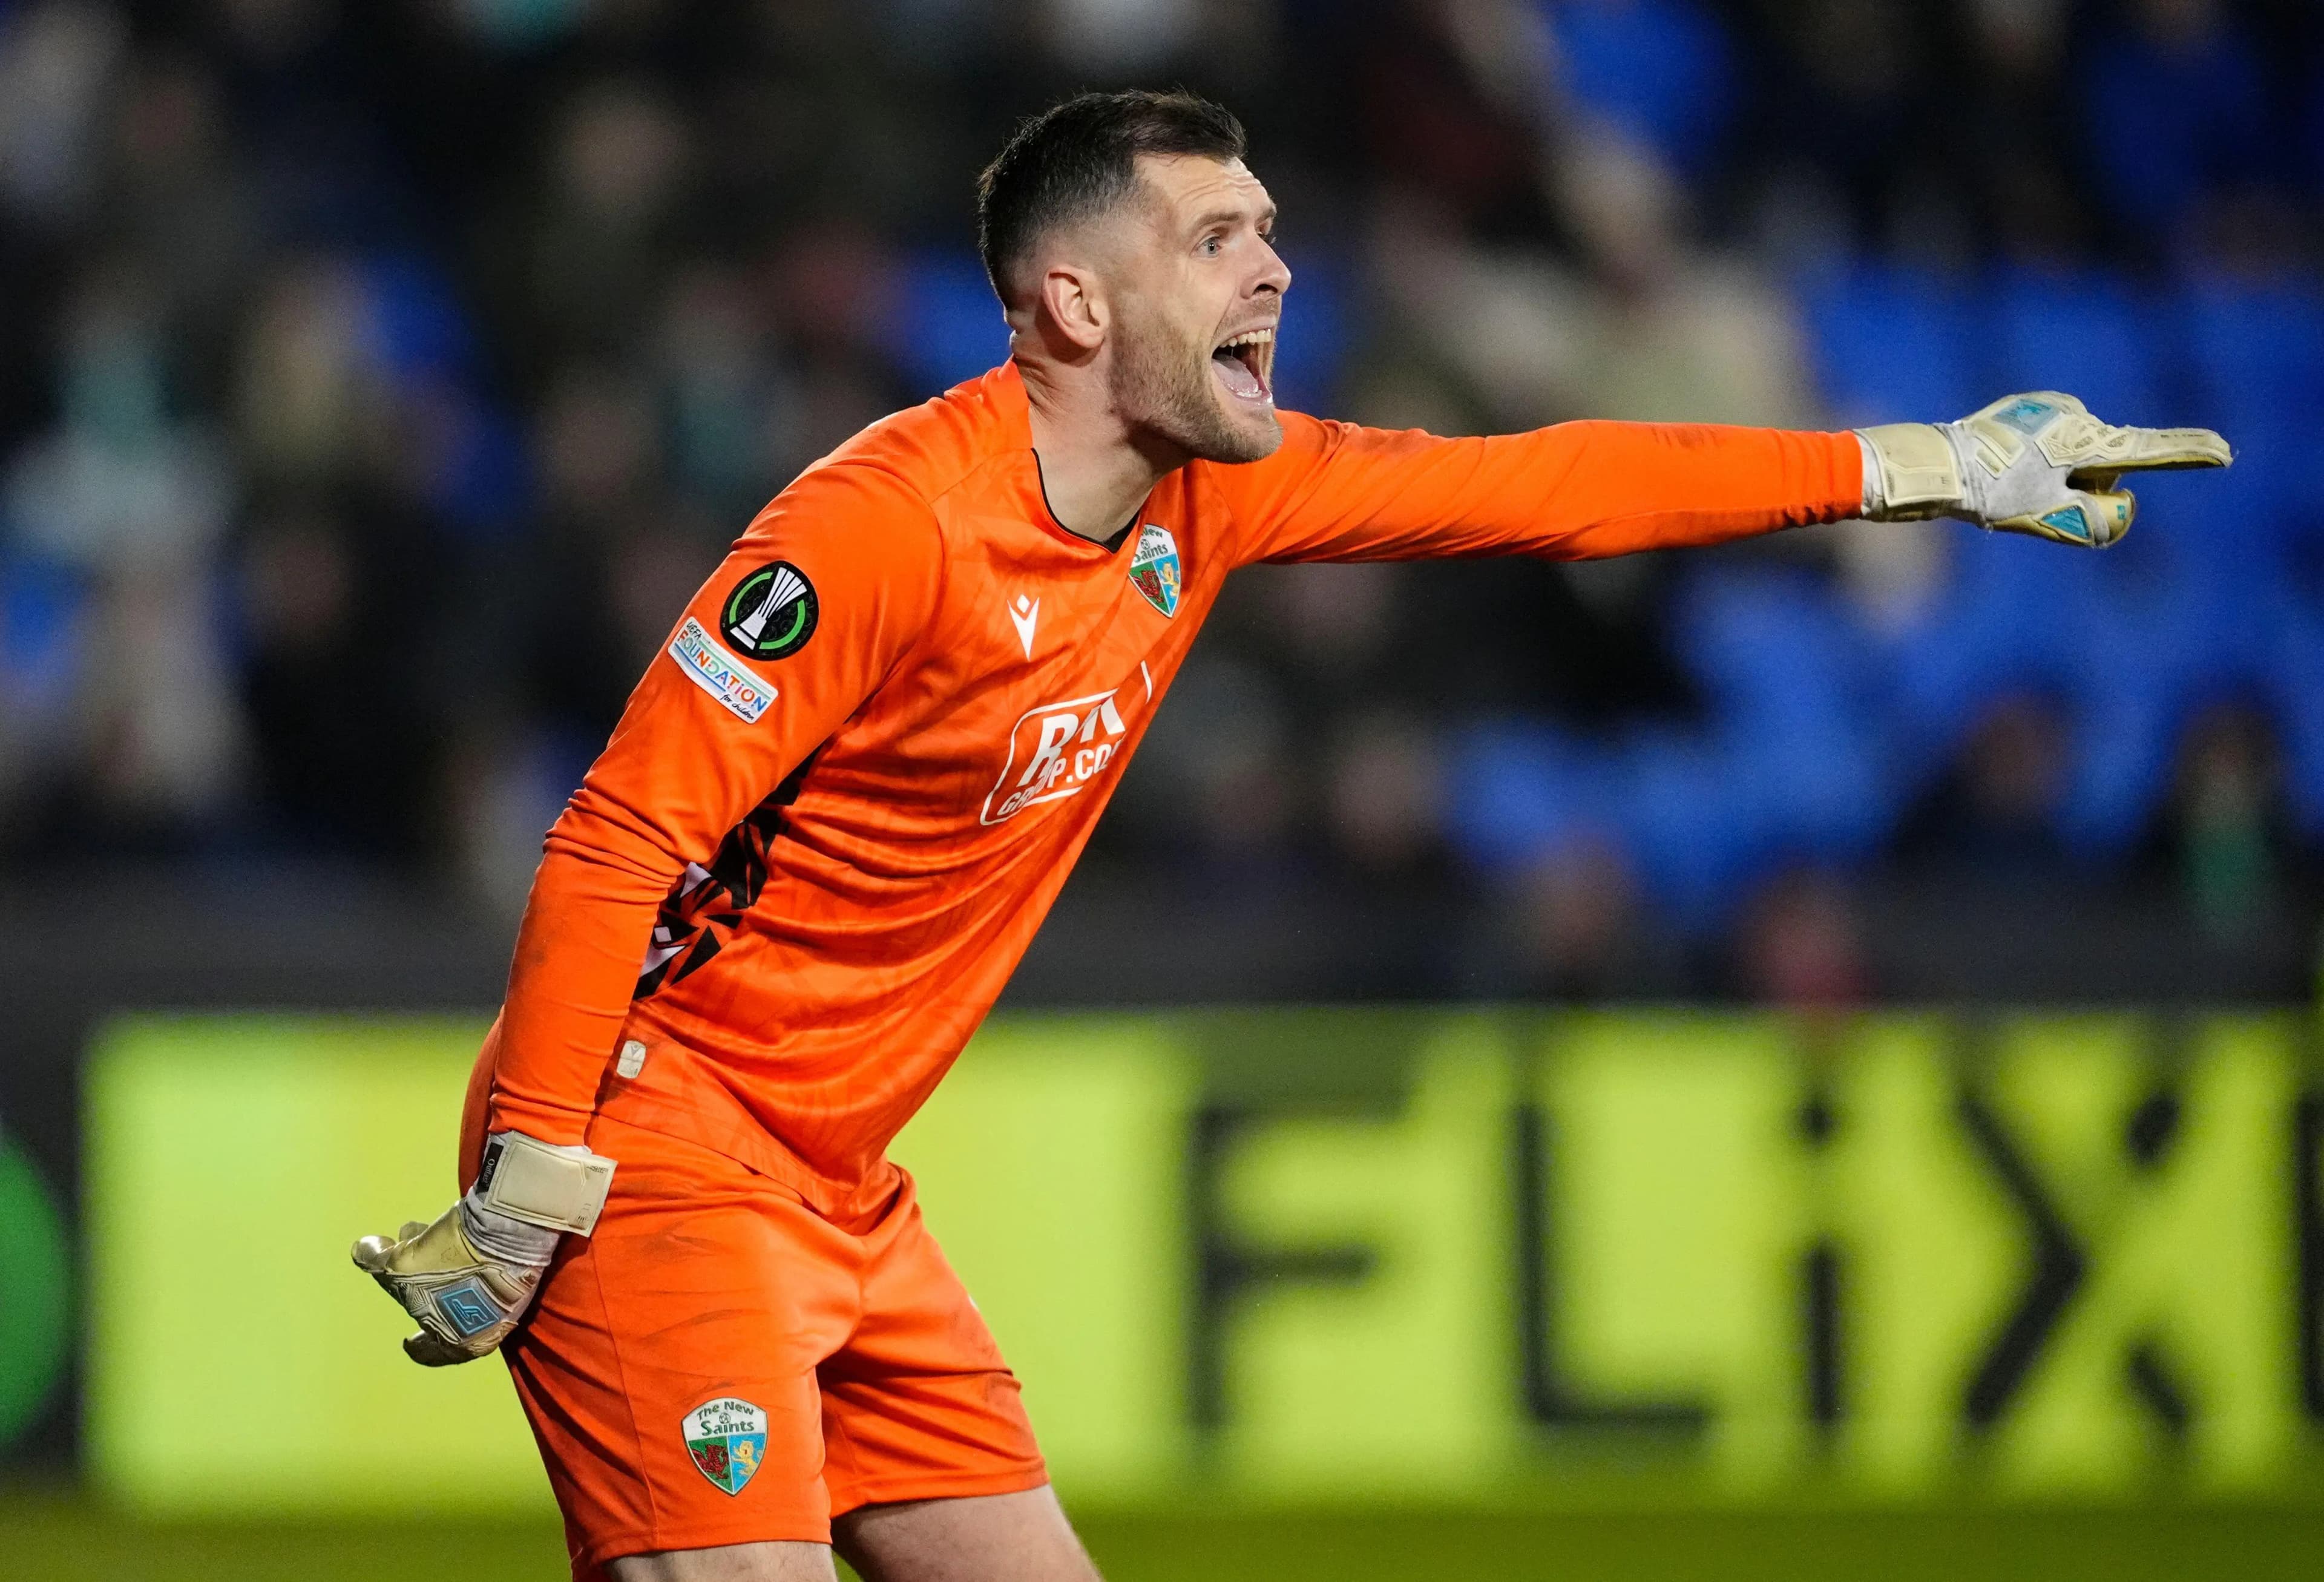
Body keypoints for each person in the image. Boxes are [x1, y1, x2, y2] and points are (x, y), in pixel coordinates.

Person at [351, 90, 2228, 1582]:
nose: (1277, 267)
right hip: (650, 1150)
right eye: (1218, 238)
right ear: (1076, 303)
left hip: (841, 1183)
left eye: (1271, 230)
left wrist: (1929, 466)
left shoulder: (1215, 502)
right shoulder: (881, 529)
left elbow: (1549, 487)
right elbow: (610, 842)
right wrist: (533, 1186)